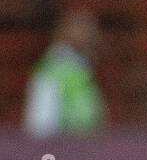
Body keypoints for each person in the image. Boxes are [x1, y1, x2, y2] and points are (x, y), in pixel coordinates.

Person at [24, 9, 105, 137]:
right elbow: (41, 120)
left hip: (82, 144)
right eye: (82, 29)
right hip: (64, 147)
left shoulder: (79, 68)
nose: (91, 35)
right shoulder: (52, 68)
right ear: (65, 32)